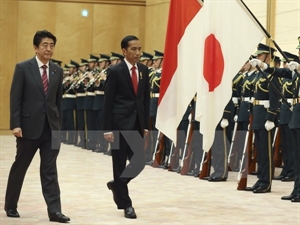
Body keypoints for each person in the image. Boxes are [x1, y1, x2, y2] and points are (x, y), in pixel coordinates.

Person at [4, 30, 70, 223]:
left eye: (51, 45)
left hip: (51, 129)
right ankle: (11, 205)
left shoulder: (58, 71)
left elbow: (58, 102)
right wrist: (15, 124)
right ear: (35, 47)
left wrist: (59, 127)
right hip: (27, 128)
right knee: (20, 167)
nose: (48, 49)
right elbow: (15, 98)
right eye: (45, 45)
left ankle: (55, 211)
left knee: (50, 170)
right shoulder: (23, 68)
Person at [103, 35, 150, 219]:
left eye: (139, 49)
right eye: (133, 49)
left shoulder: (144, 70)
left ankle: (118, 184)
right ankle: (126, 204)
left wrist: (145, 124)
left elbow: (144, 100)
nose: (138, 52)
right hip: (118, 125)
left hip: (136, 125)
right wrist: (107, 129)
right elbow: (107, 101)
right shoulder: (115, 71)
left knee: (139, 161)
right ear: (124, 51)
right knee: (119, 163)